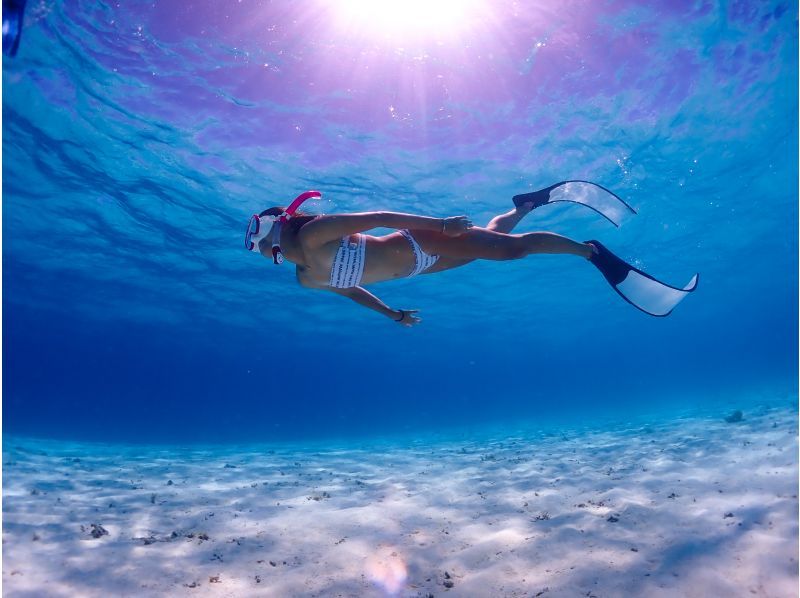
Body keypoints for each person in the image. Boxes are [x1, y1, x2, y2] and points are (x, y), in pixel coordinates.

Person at [244, 187, 698, 322]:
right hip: (428, 266)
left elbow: (378, 215)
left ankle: (589, 252)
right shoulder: (306, 278)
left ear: (279, 225)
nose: (259, 248)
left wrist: (438, 225)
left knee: (510, 253)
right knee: (493, 242)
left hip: (422, 242)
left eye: (258, 236)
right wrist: (391, 314)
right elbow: (352, 290)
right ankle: (524, 205)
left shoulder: (317, 233)